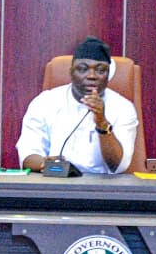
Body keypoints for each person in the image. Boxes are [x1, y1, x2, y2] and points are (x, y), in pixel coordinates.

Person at [17, 36, 138, 177]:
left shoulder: (123, 108)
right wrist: (45, 163)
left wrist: (102, 122)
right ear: (71, 72)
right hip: (56, 181)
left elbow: (119, 166)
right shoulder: (45, 102)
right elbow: (28, 154)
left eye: (100, 70)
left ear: (108, 75)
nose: (91, 76)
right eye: (82, 69)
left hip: (102, 185)